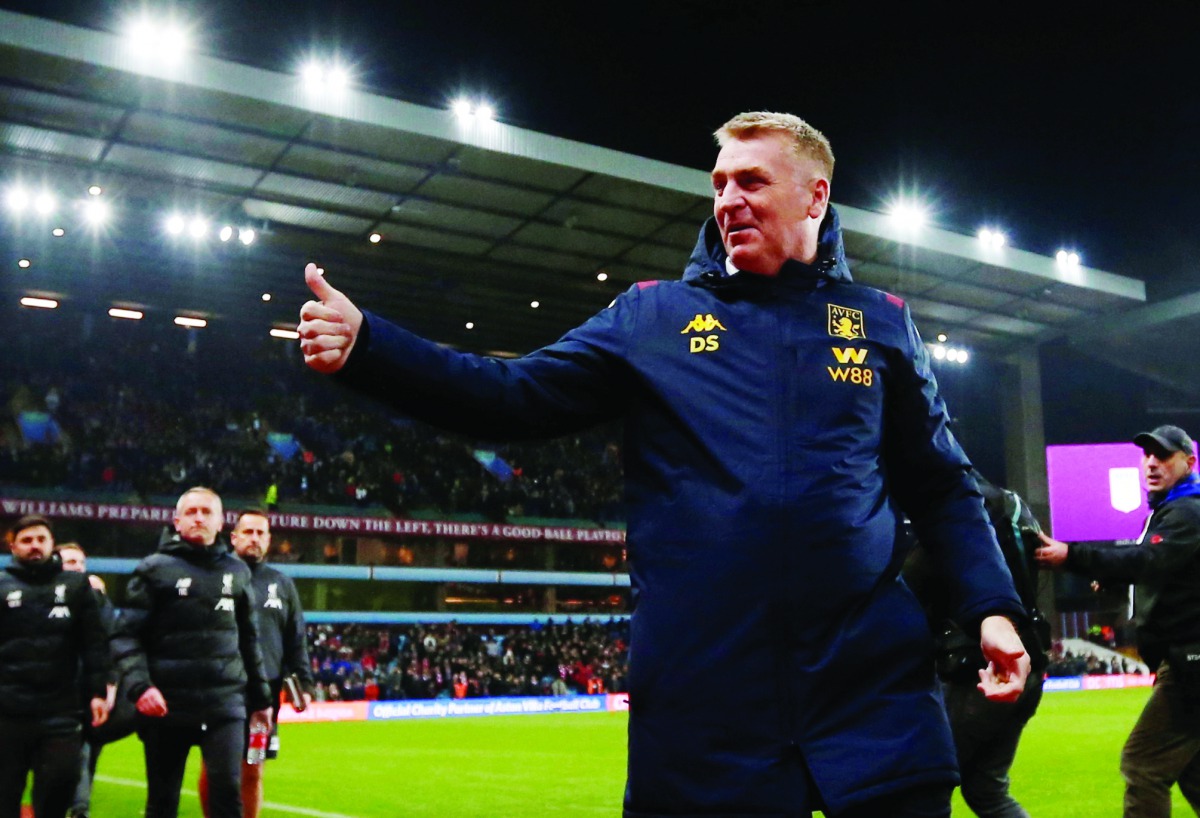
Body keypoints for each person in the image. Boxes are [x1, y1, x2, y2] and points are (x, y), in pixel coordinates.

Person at [297, 111, 1030, 817]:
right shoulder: (651, 316)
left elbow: (942, 485)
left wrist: (992, 608)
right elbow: (511, 396)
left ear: (816, 196)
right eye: (719, 184)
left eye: (752, 181)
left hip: (869, 691)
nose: (728, 199)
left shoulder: (881, 321)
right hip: (704, 701)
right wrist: (371, 346)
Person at [1037, 424, 1200, 817]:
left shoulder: (1187, 512)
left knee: (1143, 765)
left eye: (1164, 455)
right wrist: (1111, 576)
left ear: (1190, 462)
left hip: (1191, 661)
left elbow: (1149, 560)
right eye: (1147, 455)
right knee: (1192, 770)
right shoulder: (1171, 511)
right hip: (1185, 658)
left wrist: (1072, 556)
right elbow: (1165, 569)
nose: (1151, 463)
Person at [112, 487, 273, 818]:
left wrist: (261, 701)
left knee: (227, 793)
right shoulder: (153, 569)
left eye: (206, 512)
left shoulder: (237, 572)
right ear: (177, 521)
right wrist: (141, 687)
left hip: (225, 704)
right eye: (191, 512)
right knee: (163, 801)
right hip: (167, 705)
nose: (198, 518)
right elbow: (125, 635)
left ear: (220, 523)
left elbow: (248, 640)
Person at [907, 472, 1050, 818]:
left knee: (915, 789)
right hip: (1025, 657)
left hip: (973, 666)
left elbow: (911, 584)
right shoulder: (1012, 503)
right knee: (987, 790)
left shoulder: (952, 507)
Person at [198, 510, 313, 818]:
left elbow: (295, 637)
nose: (254, 538)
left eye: (261, 533)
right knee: (215, 769)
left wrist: (304, 682)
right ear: (234, 537)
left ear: (269, 540)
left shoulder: (282, 584)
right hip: (222, 689)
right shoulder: (215, 575)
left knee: (253, 769)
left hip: (264, 694)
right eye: (248, 532)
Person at [0, 517, 109, 818]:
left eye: (41, 539)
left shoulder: (75, 586)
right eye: (27, 540)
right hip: (7, 711)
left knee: (59, 786)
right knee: (5, 794)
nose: (35, 545)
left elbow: (94, 643)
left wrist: (98, 691)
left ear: (52, 544)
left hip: (61, 710)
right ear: (13, 547)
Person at [56, 543, 136, 818]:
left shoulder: (96, 599)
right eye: (70, 562)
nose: (77, 568)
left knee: (87, 749)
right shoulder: (43, 596)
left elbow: (111, 641)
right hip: (56, 691)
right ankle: (79, 808)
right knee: (76, 752)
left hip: (89, 688)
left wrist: (108, 685)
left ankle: (79, 807)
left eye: (80, 563)